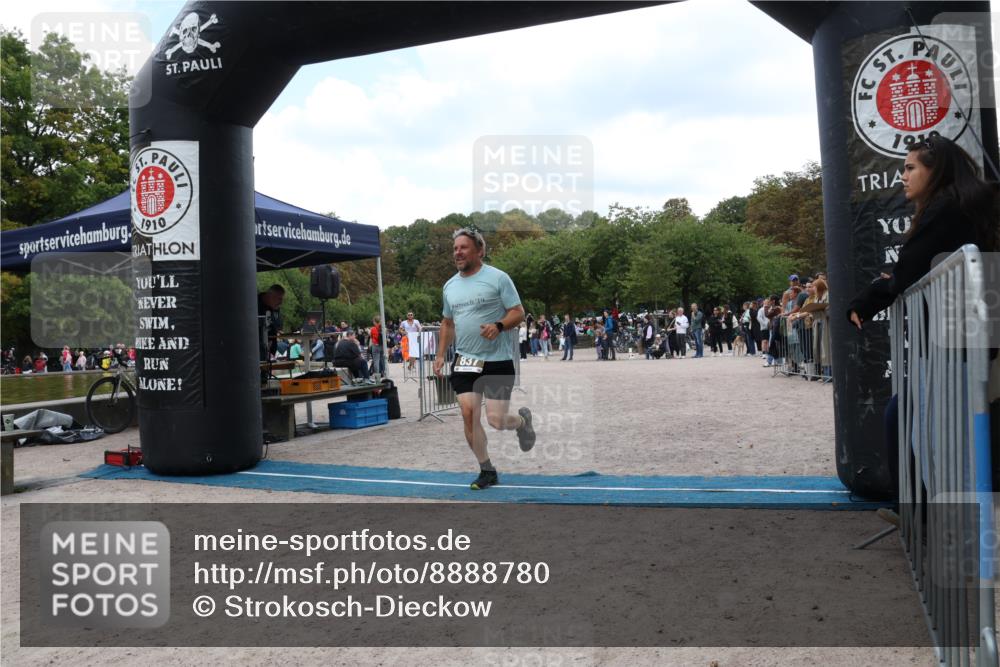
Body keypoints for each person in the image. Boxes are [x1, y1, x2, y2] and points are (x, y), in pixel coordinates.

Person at [847, 134, 998, 509]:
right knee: (907, 417)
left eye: (910, 168)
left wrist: (869, 299)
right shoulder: (962, 206)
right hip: (965, 340)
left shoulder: (945, 209)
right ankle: (921, 516)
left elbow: (905, 273)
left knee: (935, 437)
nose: (903, 176)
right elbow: (908, 273)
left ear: (936, 171)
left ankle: (941, 523)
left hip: (960, 342)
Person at [433, 228, 535, 490]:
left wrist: (499, 326)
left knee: (496, 420)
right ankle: (486, 469)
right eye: (455, 248)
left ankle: (522, 422)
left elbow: (518, 312)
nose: (458, 252)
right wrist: (440, 354)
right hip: (465, 360)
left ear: (480, 251)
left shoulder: (498, 278)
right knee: (468, 414)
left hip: (497, 360)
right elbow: (447, 322)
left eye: (463, 247)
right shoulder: (449, 286)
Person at [257, 284, 285, 362]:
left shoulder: (271, 308)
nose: (281, 302)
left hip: (269, 355)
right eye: (279, 299)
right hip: (257, 354)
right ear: (270, 295)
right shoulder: (254, 304)